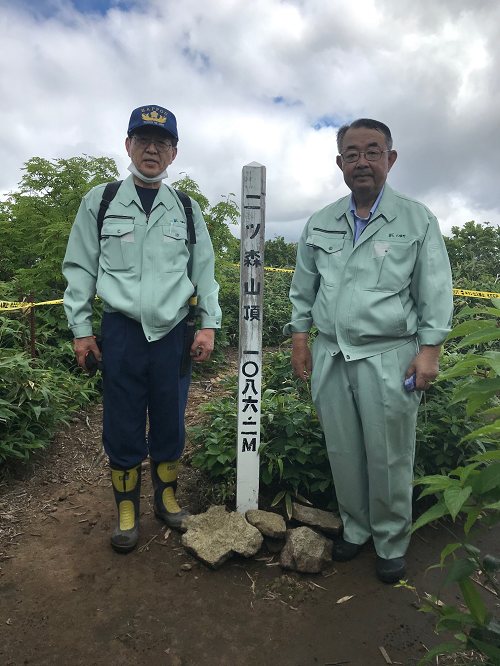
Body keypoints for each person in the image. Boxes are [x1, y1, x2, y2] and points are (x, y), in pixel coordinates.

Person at [285, 119, 453, 583]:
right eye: (353, 153)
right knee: (343, 450)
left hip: (390, 356)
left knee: (389, 453)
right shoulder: (321, 221)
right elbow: (303, 290)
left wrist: (430, 351)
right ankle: (356, 529)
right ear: (340, 163)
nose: (363, 162)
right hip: (330, 354)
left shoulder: (416, 220)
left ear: (390, 159)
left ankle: (391, 540)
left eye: (373, 152)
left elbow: (434, 292)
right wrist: (301, 340)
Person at [63, 105, 221, 554]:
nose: (153, 149)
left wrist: (207, 326)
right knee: (122, 420)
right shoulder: (103, 200)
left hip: (173, 333)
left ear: (174, 153)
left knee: (170, 418)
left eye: (163, 142)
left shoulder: (186, 209)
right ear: (128, 144)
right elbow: (79, 267)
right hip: (121, 332)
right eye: (144, 140)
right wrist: (81, 330)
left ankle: (167, 500)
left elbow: (204, 272)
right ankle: (126, 510)